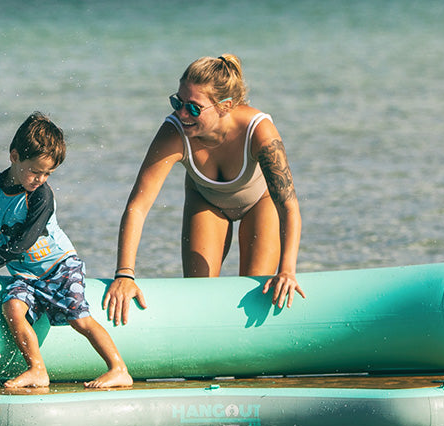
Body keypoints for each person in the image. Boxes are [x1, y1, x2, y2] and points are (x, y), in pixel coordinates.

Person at [101, 54, 307, 326]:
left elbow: (289, 207)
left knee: (257, 296)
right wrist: (124, 275)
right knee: (200, 300)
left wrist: (288, 271)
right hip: (206, 202)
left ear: (225, 106)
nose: (182, 114)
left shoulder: (259, 131)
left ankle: (248, 368)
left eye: (194, 108)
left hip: (261, 202)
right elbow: (137, 208)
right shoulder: (173, 132)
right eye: (178, 102)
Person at [0, 113, 134, 389]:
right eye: (35, 171)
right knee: (12, 307)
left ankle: (118, 368)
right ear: (14, 156)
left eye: (47, 173)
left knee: (80, 319)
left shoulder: (41, 195)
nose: (40, 178)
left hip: (60, 266)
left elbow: (26, 240)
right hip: (27, 275)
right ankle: (37, 368)